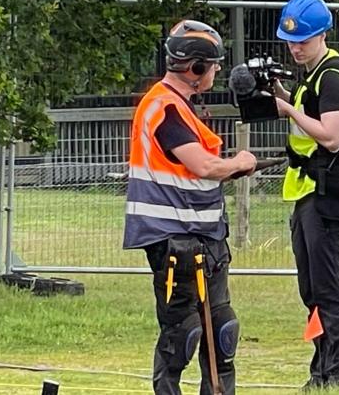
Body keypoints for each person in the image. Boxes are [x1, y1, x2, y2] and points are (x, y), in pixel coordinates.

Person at [123, 19, 257, 395]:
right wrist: (240, 162)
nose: (216, 71)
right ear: (195, 68)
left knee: (222, 332)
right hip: (175, 242)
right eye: (213, 65)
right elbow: (204, 165)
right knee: (183, 333)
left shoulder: (183, 107)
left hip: (208, 237)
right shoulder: (163, 107)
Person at [273, 0, 339, 389]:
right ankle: (321, 370)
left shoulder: (335, 75)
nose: (296, 47)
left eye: (304, 40)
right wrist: (278, 95)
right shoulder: (313, 77)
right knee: (312, 288)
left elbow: (331, 137)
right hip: (307, 192)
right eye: (291, 40)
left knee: (330, 287)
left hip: (329, 194)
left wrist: (290, 110)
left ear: (324, 35)